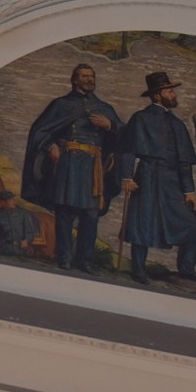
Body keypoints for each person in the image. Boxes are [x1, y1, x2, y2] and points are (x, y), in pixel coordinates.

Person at [20, 63, 123, 274]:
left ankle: (85, 262)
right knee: (65, 213)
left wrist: (109, 126)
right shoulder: (60, 105)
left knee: (91, 214)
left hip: (93, 169)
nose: (89, 79)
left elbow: (125, 136)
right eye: (85, 76)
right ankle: (64, 258)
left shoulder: (105, 108)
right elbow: (39, 131)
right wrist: (51, 145)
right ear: (75, 80)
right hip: (67, 165)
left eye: (92, 76)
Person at [120, 71, 196, 285]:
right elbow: (128, 151)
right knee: (142, 225)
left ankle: (186, 269)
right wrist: (127, 177)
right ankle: (138, 271)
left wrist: (189, 191)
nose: (173, 94)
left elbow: (184, 162)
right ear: (157, 95)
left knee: (190, 226)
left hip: (172, 181)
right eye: (169, 91)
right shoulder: (140, 118)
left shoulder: (177, 124)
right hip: (146, 178)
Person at [0, 190, 38, 256]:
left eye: (13, 199)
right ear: (3, 202)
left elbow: (30, 233)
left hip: (20, 250)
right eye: (10, 200)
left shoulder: (23, 213)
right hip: (4, 250)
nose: (13, 201)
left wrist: (27, 241)